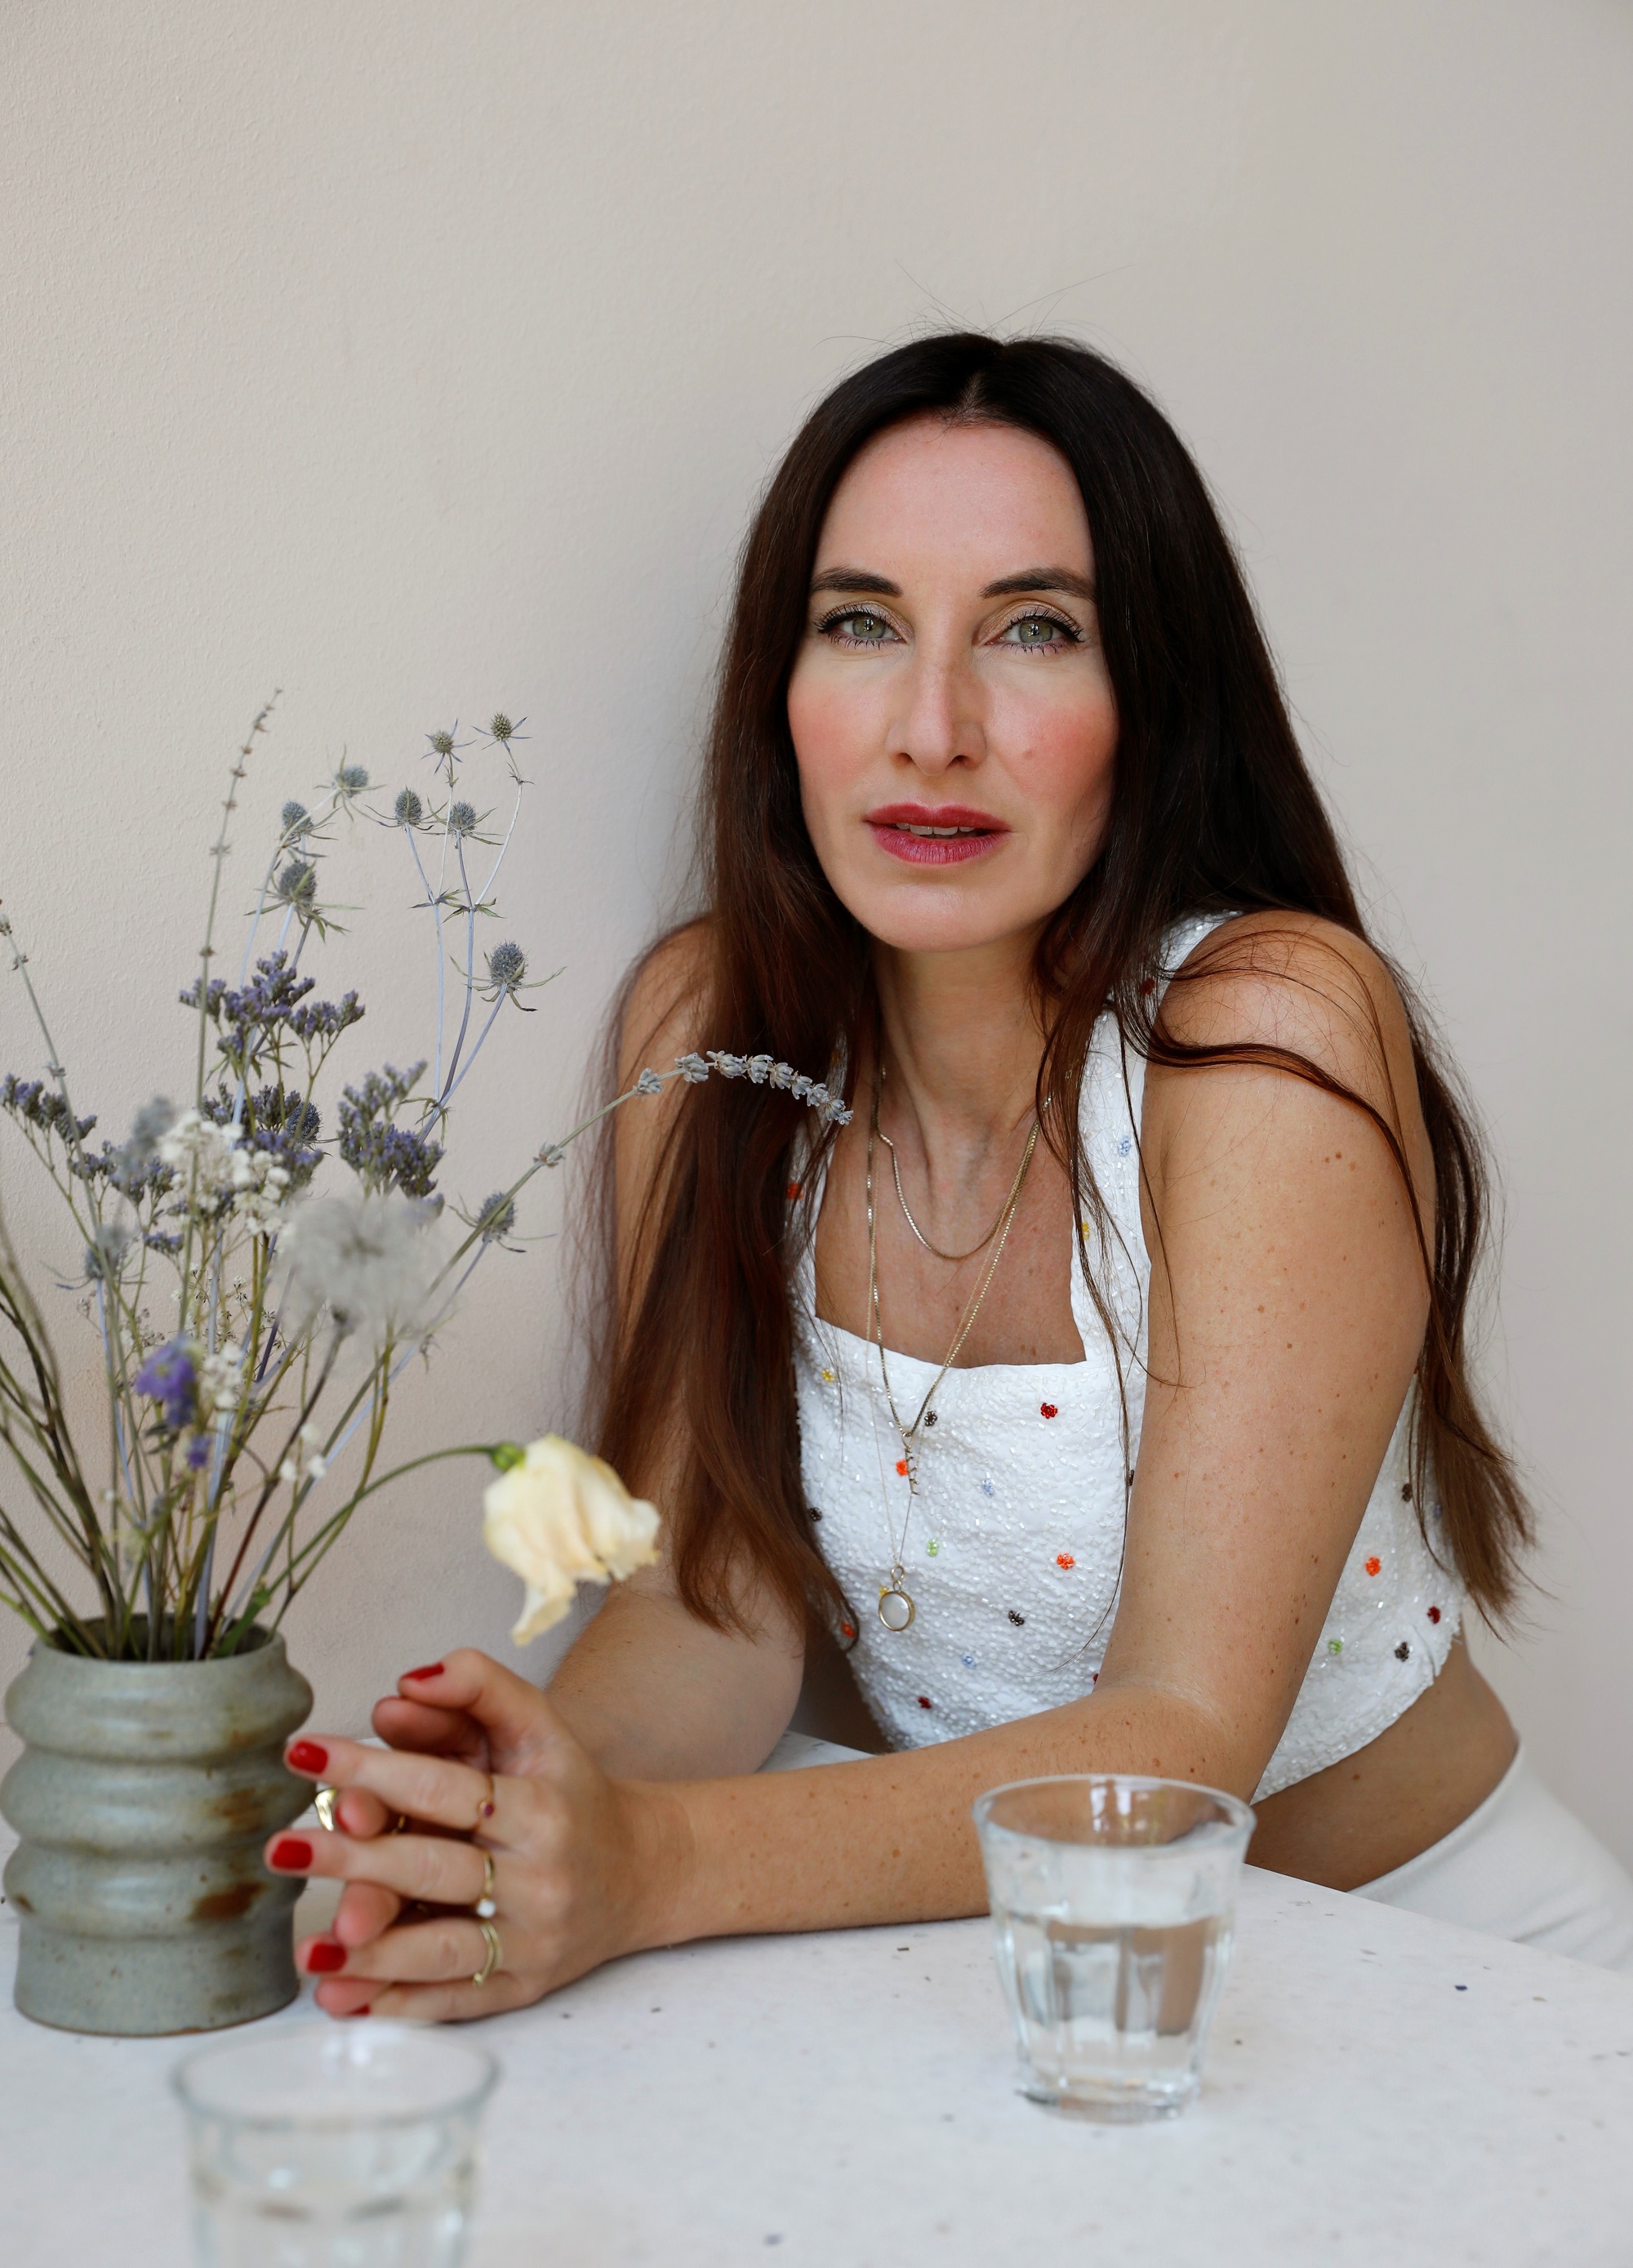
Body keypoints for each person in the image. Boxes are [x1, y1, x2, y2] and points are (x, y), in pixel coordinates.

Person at [267, 334, 1633, 2016]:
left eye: (1033, 629)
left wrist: (650, 1865)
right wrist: (513, 1813)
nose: (932, 729)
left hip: (1421, 1968)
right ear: (779, 689)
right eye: (861, 624)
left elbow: (1182, 1743)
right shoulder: (708, 1032)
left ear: (1154, 699)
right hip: (1008, 1968)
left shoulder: (1262, 1028)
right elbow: (706, 1611)